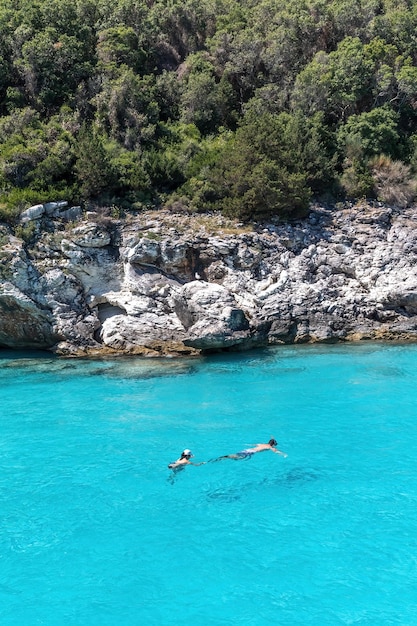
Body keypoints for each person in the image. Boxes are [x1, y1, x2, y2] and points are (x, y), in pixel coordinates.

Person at [213, 438, 287, 461]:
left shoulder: (261, 444)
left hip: (247, 450)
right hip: (249, 453)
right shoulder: (270, 447)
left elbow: (252, 444)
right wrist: (284, 454)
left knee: (235, 457)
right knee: (235, 458)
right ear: (273, 444)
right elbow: (276, 451)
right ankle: (220, 458)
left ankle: (221, 458)